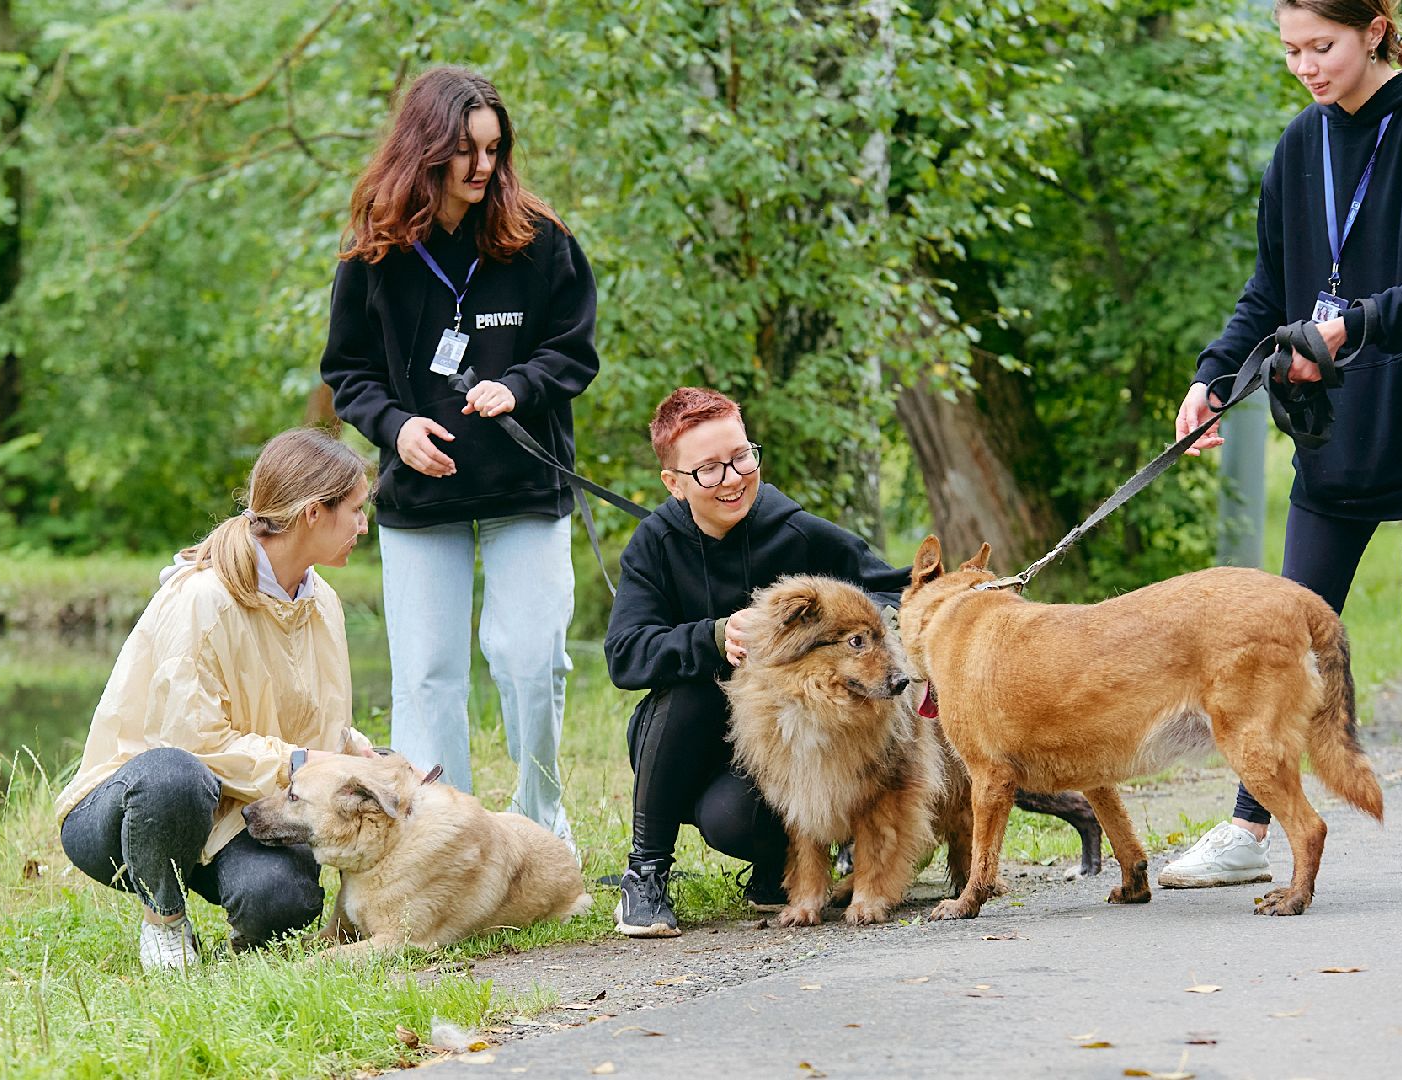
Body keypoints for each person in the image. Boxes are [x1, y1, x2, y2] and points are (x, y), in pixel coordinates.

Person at [1169, 0, 1402, 890]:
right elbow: (1269, 284)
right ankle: (1250, 829)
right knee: (1273, 640)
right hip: (1338, 442)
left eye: (1321, 46)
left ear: (1375, 28)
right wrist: (1212, 379)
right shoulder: (1301, 142)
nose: (1305, 66)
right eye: (1290, 49)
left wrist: (1350, 329)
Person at [320, 66, 599, 847]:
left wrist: (519, 385)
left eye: (493, 150)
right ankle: (447, 839)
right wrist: (395, 427)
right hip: (421, 497)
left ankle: (541, 825)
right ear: (426, 149)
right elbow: (347, 373)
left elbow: (573, 353)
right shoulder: (373, 255)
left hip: (524, 487)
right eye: (464, 152)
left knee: (527, 658)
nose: (481, 167)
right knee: (428, 675)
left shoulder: (542, 242)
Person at [55, 428, 378, 971]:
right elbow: (190, 743)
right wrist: (302, 763)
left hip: (241, 809)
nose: (364, 525)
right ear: (312, 514)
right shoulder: (203, 597)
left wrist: (358, 755)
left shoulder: (323, 601)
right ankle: (164, 920)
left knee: (285, 903)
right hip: (136, 809)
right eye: (355, 509)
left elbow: (319, 718)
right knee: (175, 776)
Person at [603, 388, 912, 937]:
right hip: (684, 745)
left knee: (732, 822)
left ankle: (780, 871)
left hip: (785, 750)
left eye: (742, 457)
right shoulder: (653, 544)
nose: (732, 478)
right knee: (696, 685)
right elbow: (625, 656)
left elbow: (897, 590)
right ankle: (645, 874)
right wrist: (713, 637)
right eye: (709, 469)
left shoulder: (798, 532)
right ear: (674, 484)